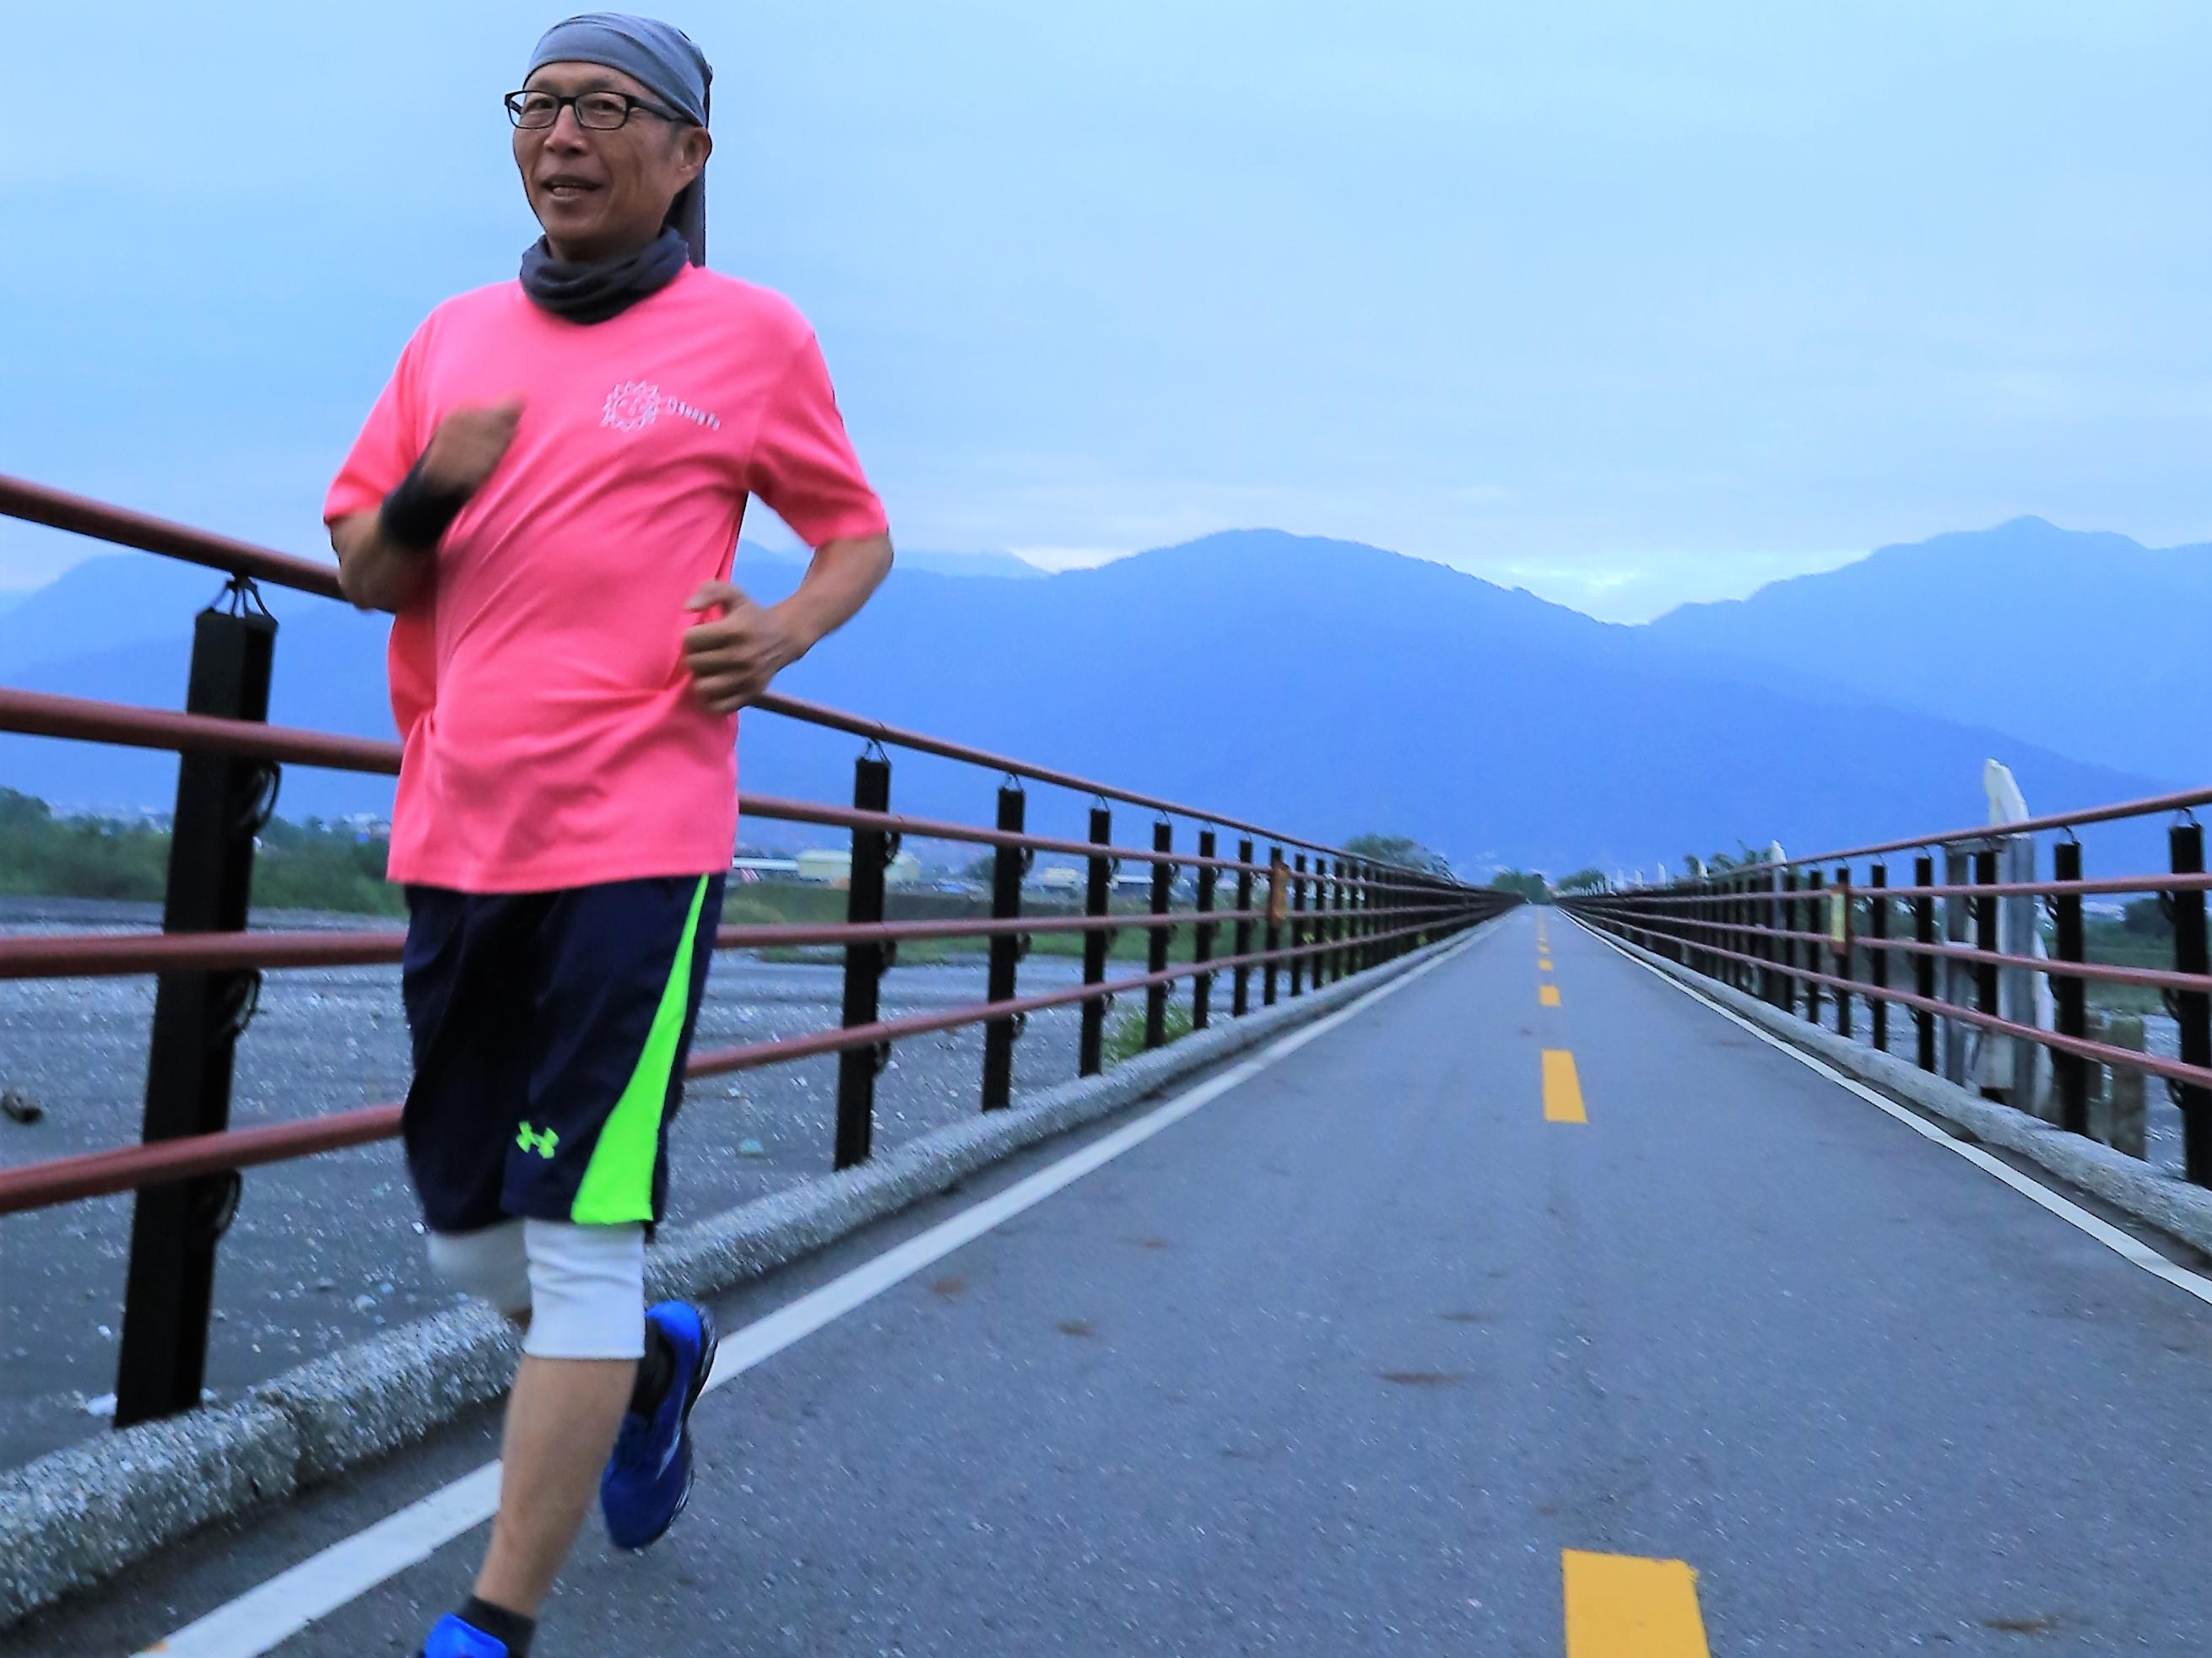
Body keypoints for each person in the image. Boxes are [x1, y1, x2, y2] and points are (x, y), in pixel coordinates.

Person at [322, 15, 892, 1656]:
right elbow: (365, 564)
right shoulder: (452, 338)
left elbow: (855, 532)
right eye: (541, 104)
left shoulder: (750, 335)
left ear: (688, 153)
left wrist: (782, 632)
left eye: (605, 107)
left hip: (643, 842)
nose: (562, 134)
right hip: (459, 829)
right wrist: (437, 485)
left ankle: (489, 1622)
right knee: (465, 1238)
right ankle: (647, 1364)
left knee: (579, 1239)